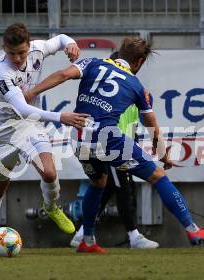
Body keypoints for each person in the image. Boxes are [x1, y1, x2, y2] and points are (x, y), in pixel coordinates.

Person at [25, 37, 204, 253]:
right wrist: (163, 155)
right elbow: (152, 124)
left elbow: (63, 75)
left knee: (99, 182)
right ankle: (192, 228)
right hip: (107, 137)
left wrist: (31, 93)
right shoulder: (136, 85)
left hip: (78, 136)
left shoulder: (92, 63)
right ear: (138, 62)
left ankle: (87, 240)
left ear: (119, 53)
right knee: (158, 175)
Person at [0, 23, 89, 254]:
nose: (17, 58)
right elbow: (23, 108)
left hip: (31, 127)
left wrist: (71, 44)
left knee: (49, 172)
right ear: (3, 48)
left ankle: (51, 207)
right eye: (11, 53)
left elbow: (60, 39)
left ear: (29, 46)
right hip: (3, 132)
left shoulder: (38, 48)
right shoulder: (0, 71)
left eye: (22, 52)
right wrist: (60, 117)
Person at [69, 52, 159, 249]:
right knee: (122, 189)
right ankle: (133, 236)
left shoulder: (134, 91)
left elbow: (139, 121)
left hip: (122, 145)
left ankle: (82, 233)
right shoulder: (118, 92)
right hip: (111, 146)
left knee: (107, 187)